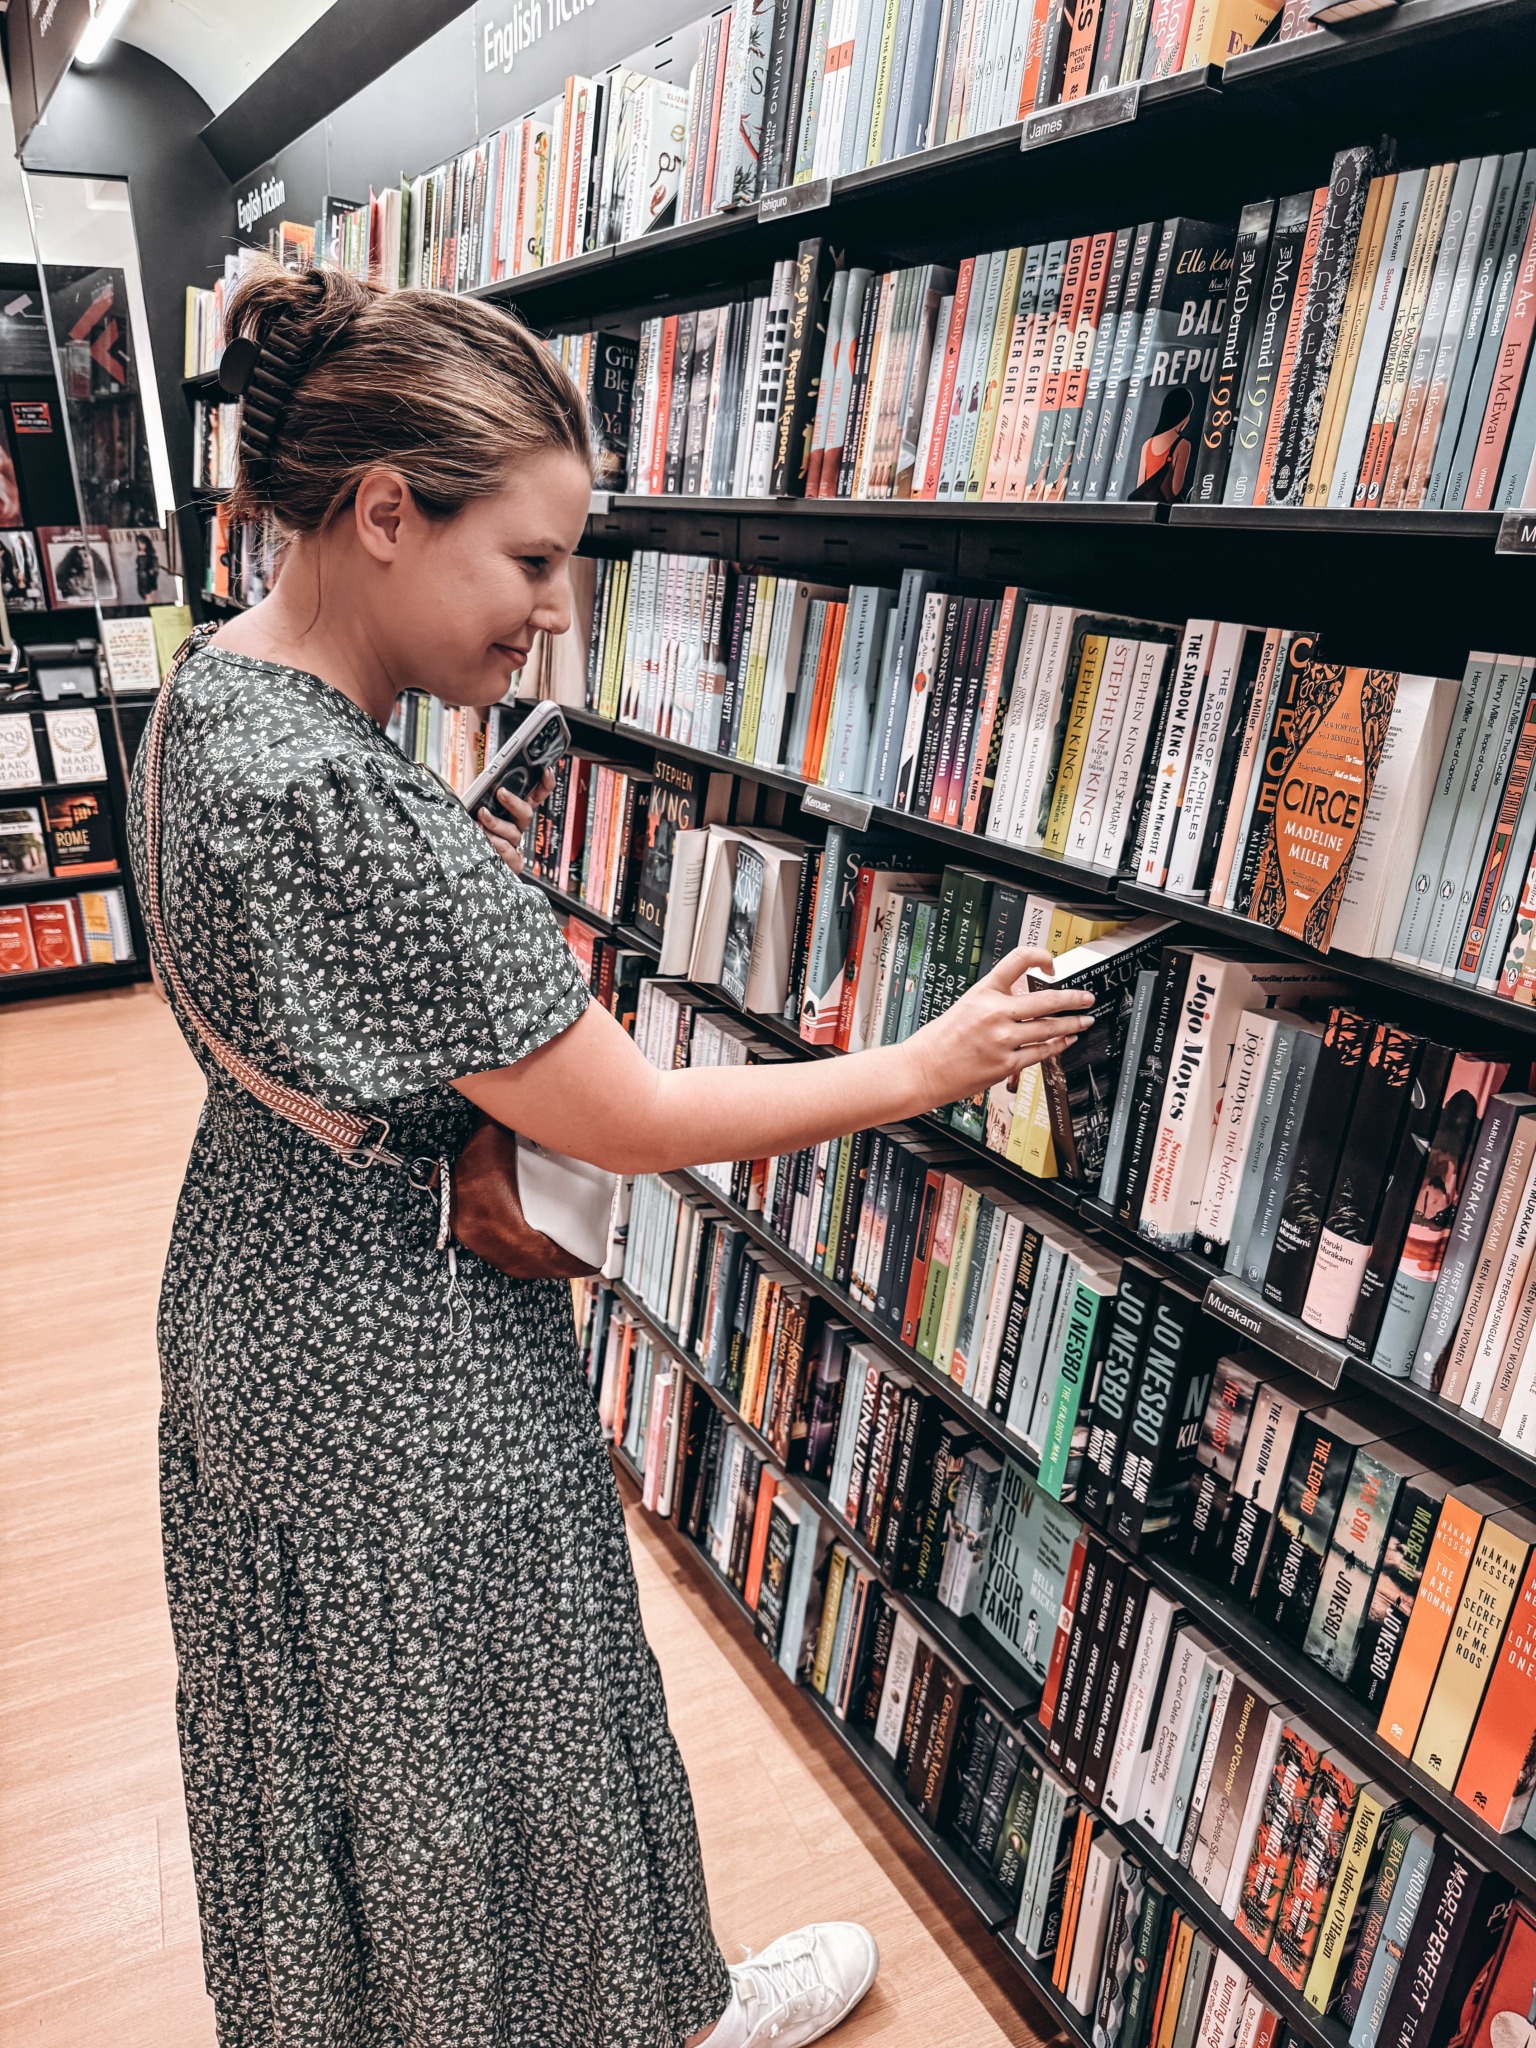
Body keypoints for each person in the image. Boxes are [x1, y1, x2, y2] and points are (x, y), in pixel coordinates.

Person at [128, 259, 1094, 2048]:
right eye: (531, 559)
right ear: (387, 513)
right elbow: (632, 1118)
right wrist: (924, 1066)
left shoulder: (209, 697)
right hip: (398, 1362)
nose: (558, 614)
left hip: (255, 1297)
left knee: (351, 1751)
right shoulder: (346, 796)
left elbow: (300, 984)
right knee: (505, 1731)